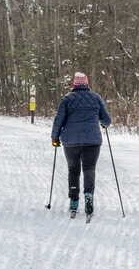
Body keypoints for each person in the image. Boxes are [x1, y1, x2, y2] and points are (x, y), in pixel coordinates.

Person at [51, 72, 111, 216]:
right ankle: (89, 195)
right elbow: (107, 120)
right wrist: (102, 123)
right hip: (93, 141)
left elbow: (58, 120)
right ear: (87, 84)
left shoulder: (67, 99)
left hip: (70, 142)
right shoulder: (96, 98)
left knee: (73, 169)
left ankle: (74, 200)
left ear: (74, 84)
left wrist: (55, 138)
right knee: (89, 168)